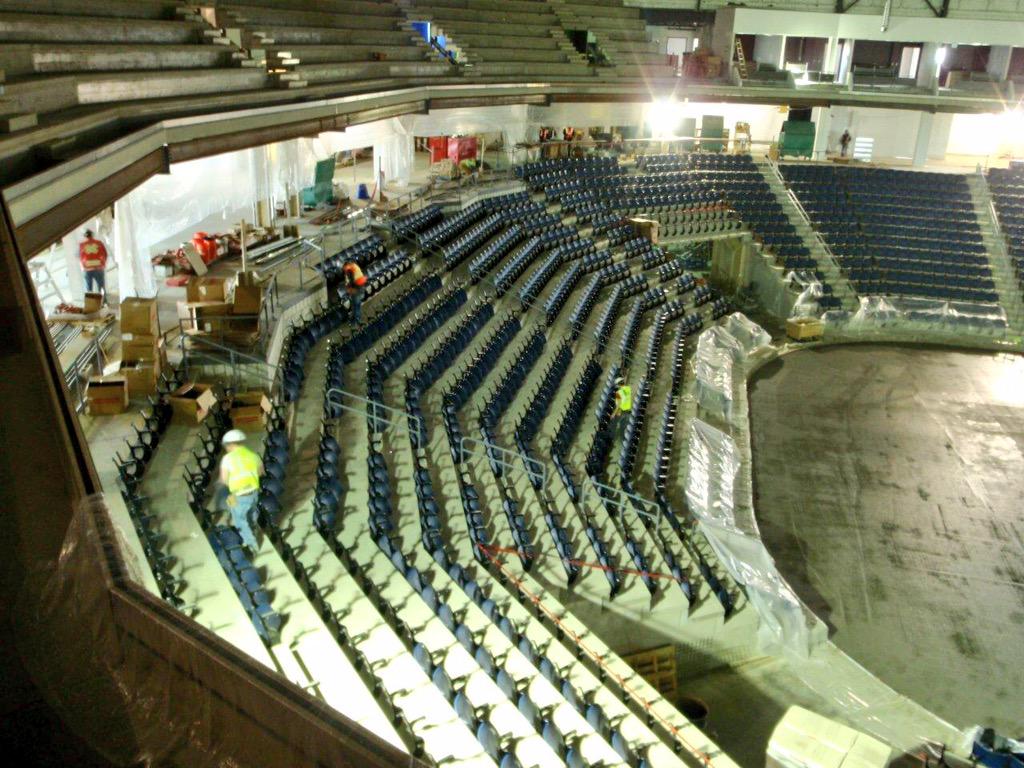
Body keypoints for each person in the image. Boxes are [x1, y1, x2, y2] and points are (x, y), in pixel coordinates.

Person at [216, 429, 263, 554]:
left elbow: (224, 479)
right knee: (252, 515)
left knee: (240, 522)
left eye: (226, 445)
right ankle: (253, 529)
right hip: (254, 494)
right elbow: (260, 472)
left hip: (239, 496)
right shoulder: (253, 455)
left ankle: (252, 546)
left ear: (230, 444)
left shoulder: (227, 459)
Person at [79, 228, 109, 304]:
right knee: (101, 287)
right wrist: (102, 263)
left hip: (87, 269)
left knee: (89, 288)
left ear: (85, 236)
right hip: (98, 267)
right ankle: (103, 302)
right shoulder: (99, 243)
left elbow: (80, 256)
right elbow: (105, 254)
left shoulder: (82, 245)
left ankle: (90, 304)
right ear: (92, 235)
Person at [341, 259, 367, 325]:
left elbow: (351, 280)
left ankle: (355, 321)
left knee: (355, 305)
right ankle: (357, 318)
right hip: (361, 285)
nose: (343, 270)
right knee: (358, 304)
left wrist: (350, 289)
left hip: (356, 288)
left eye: (343, 268)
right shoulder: (354, 266)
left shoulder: (349, 269)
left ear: (345, 266)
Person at [611, 377, 632, 445]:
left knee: (622, 427)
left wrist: (614, 414)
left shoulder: (618, 393)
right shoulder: (628, 388)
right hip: (628, 410)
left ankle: (625, 441)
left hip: (622, 411)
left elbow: (619, 405)